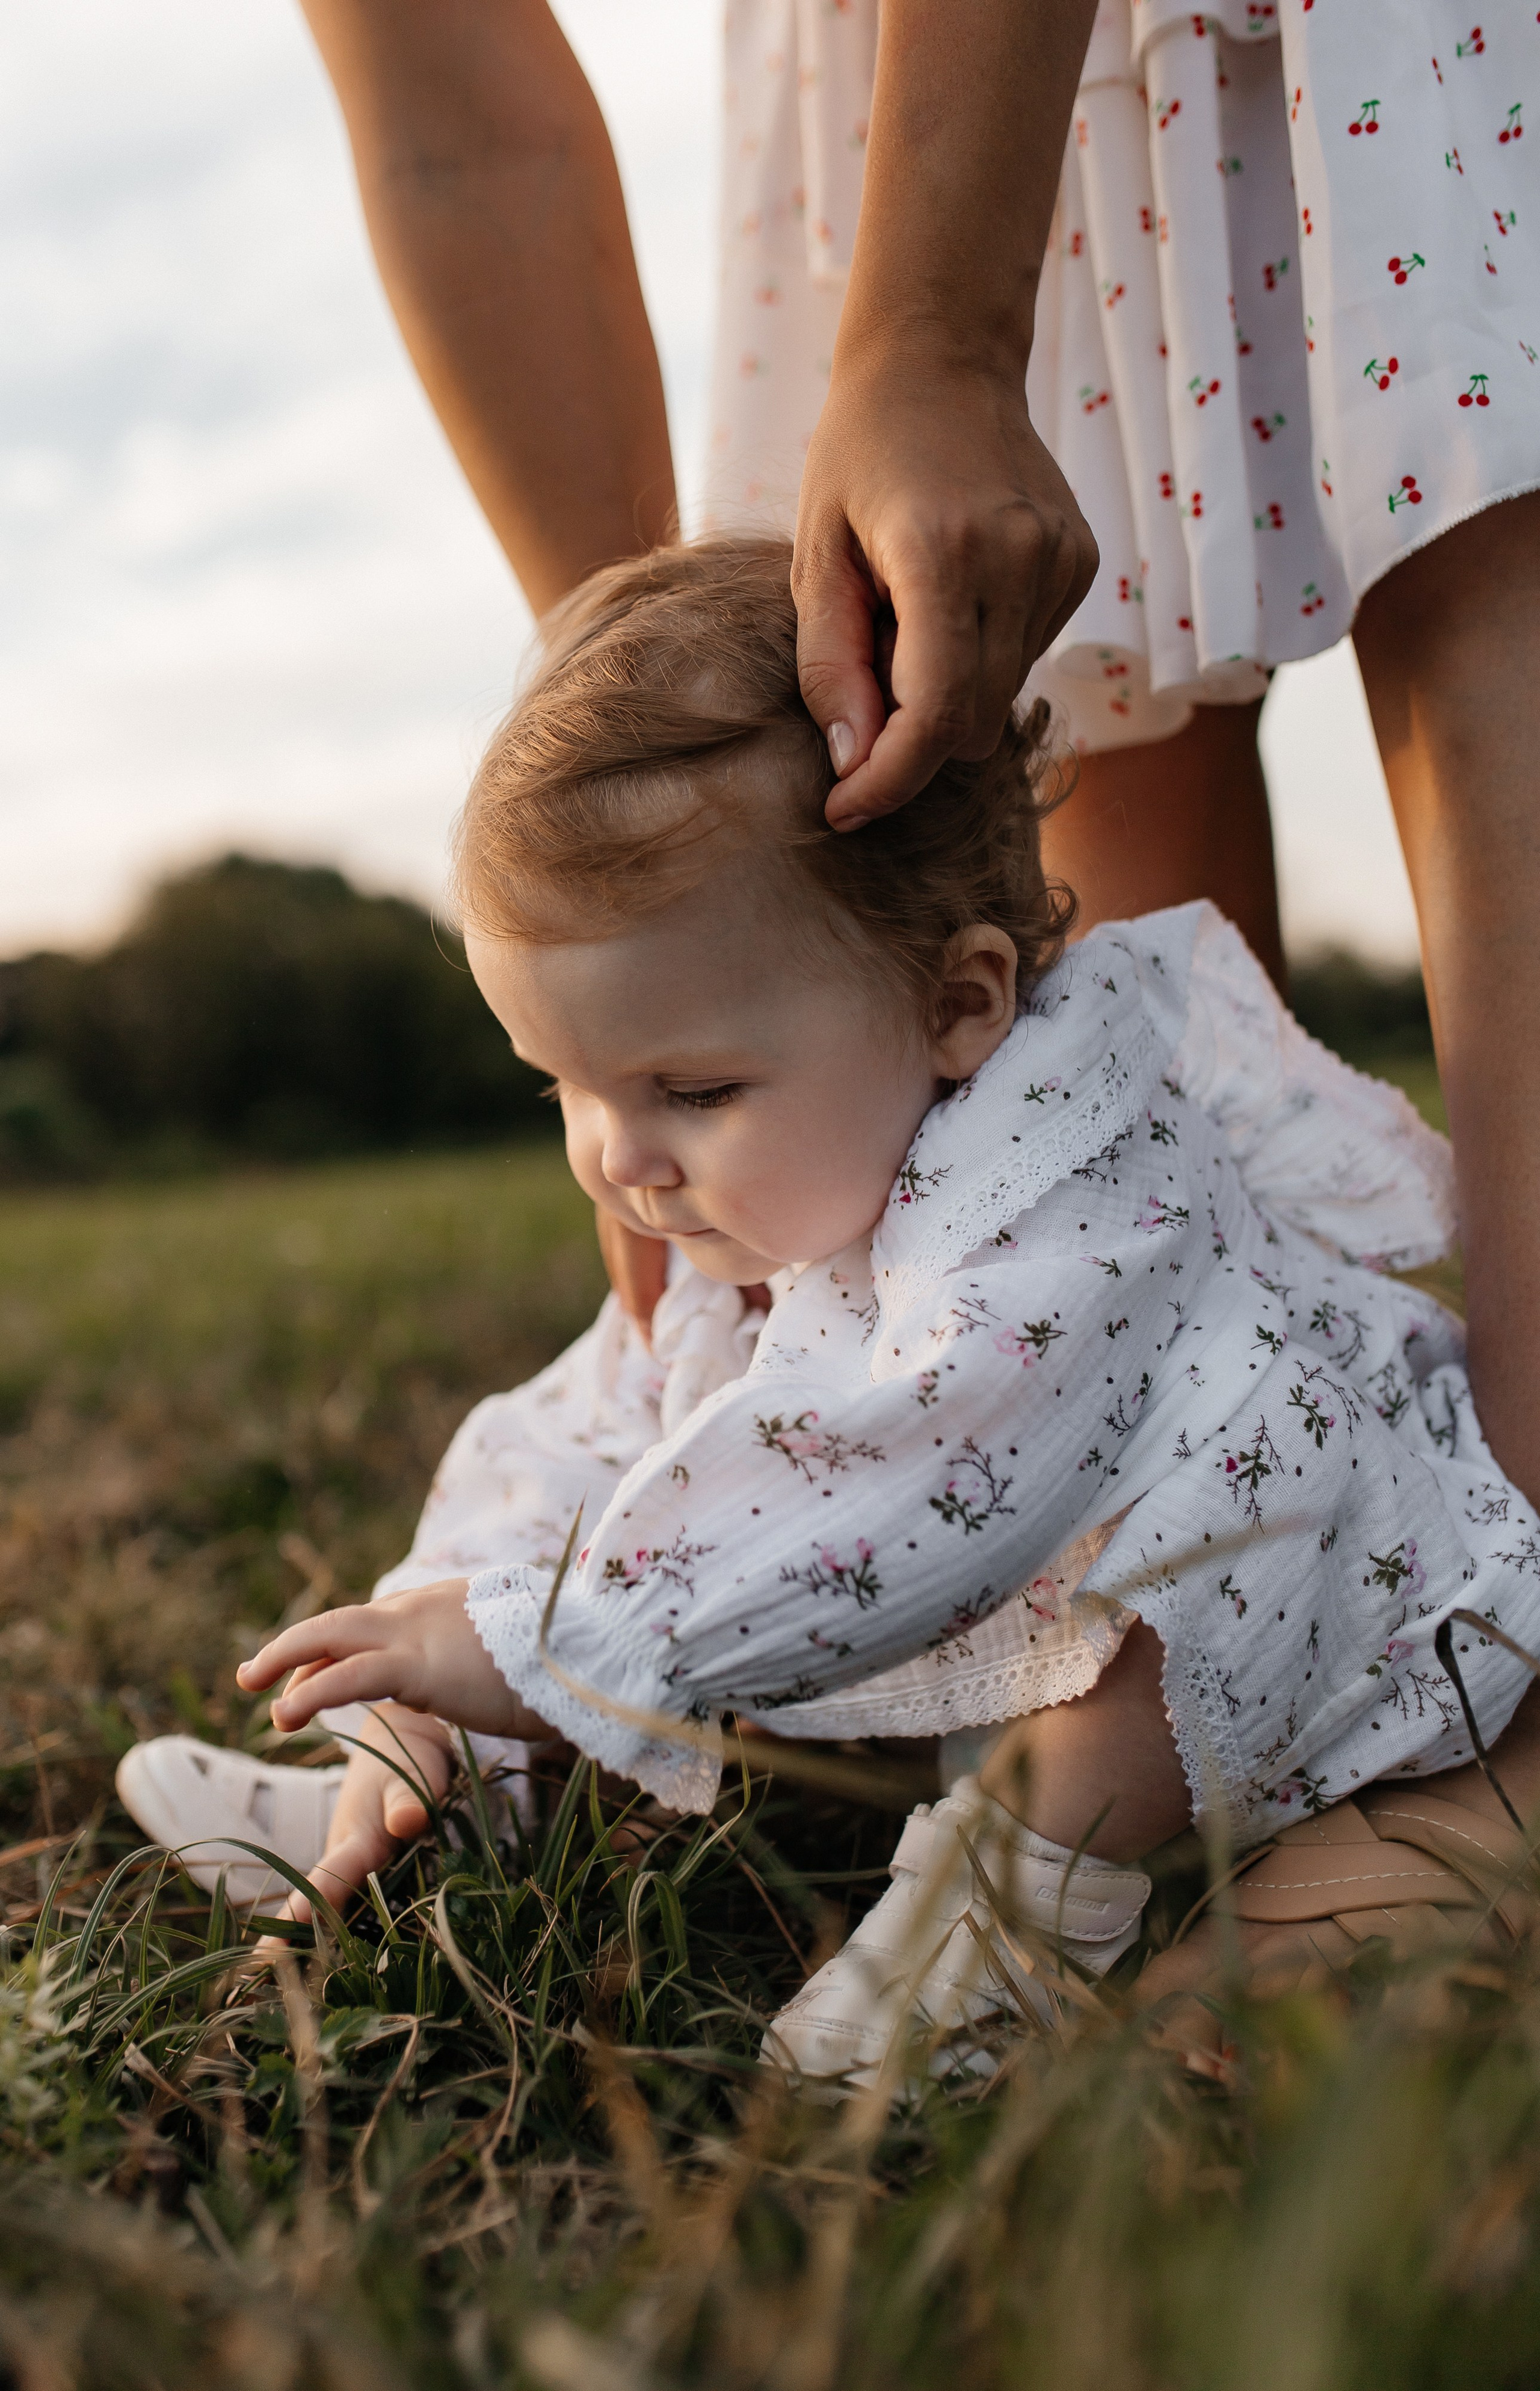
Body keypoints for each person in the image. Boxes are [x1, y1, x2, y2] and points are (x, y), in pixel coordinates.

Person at [206, 536, 1540, 2089]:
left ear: (962, 1002)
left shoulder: (1072, 1201)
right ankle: (431, 1804)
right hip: (1078, 1577)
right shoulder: (802, 1176)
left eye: (692, 1090)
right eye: (564, 1086)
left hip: (1358, 1604)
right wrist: (447, 1646)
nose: (620, 1161)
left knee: (1137, 1638)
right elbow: (603, 1423)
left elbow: (900, 1473)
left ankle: (1014, 1923)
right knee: (656, 1457)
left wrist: (541, 1642)